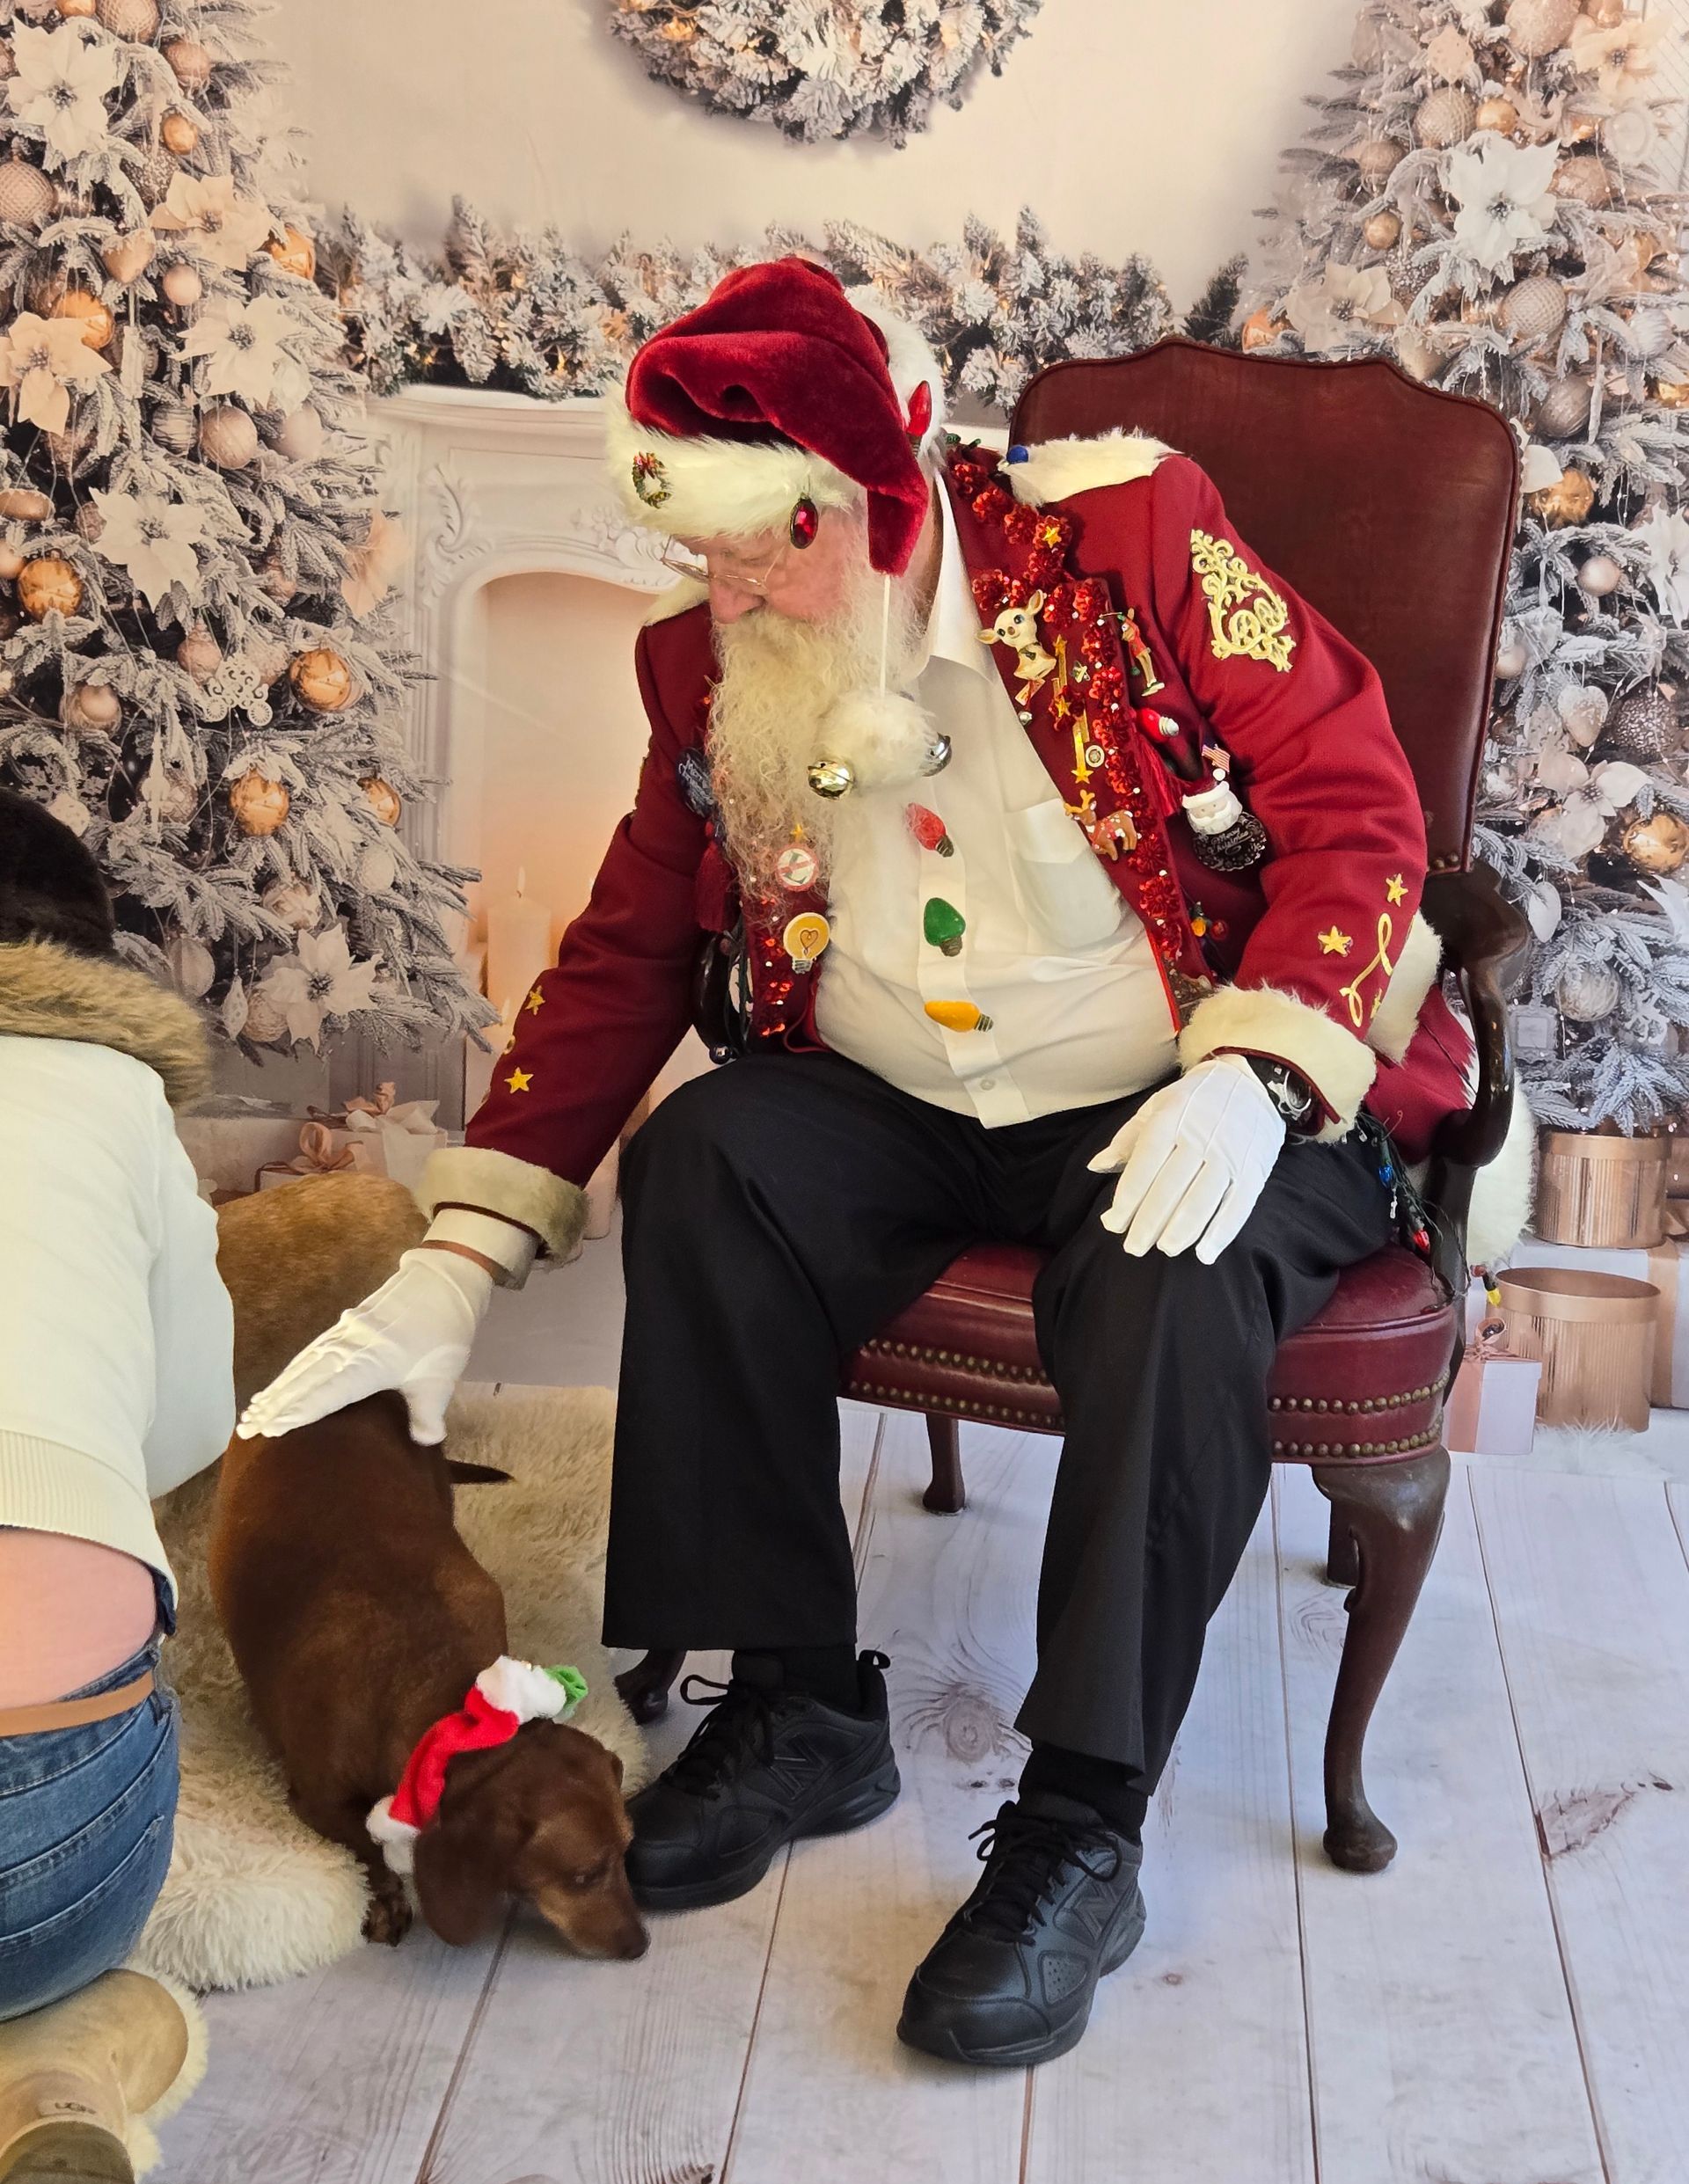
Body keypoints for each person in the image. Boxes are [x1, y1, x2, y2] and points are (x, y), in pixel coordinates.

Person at [241, 259, 1505, 2069]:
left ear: (892, 487)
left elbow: (1360, 808)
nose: (735, 590)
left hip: (1191, 1079)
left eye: (777, 545)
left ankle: (1082, 1817)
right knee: (713, 1158)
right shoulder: (705, 660)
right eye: (710, 548)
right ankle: (799, 1703)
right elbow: (618, 948)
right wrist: (455, 1259)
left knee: (1174, 1269)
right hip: (904, 1095)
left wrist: (1258, 1072)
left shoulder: (1127, 539)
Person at [0, 786, 228, 2184]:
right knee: (106, 1974)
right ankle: (60, 2062)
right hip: (42, 1834)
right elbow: (190, 1422)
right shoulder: (117, 1097)